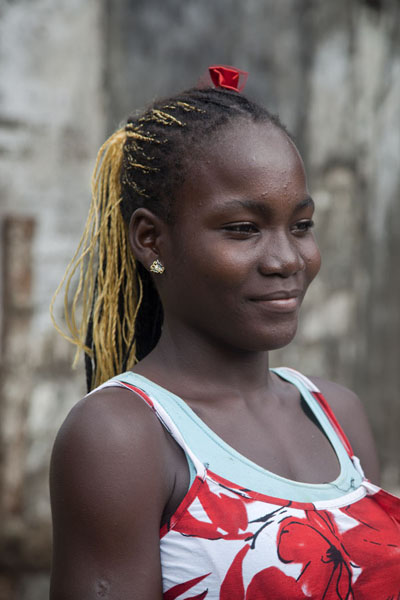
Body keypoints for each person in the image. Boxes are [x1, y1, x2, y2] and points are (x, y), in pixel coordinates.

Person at [49, 66, 400, 599]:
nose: (287, 259)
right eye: (243, 229)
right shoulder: (124, 436)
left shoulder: (336, 414)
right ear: (151, 239)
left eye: (301, 226)